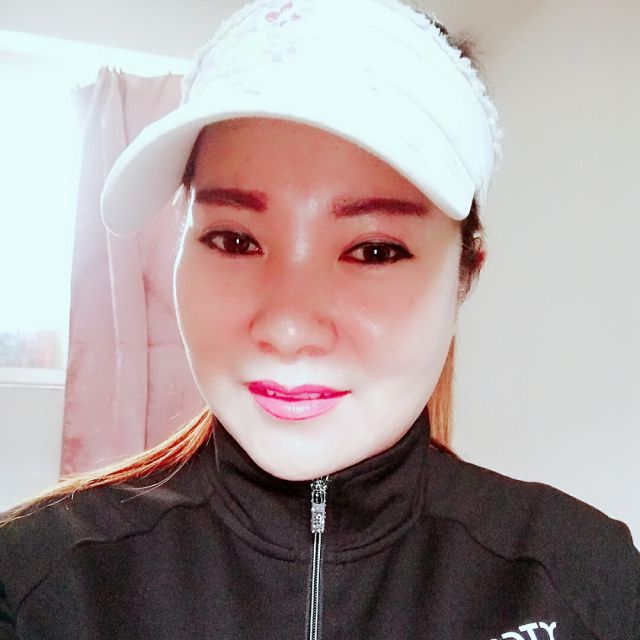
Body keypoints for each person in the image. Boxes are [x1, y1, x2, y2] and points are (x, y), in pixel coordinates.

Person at [1, 0, 638, 637]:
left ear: (465, 274)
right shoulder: (35, 580)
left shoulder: (585, 578)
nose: (288, 329)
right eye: (235, 240)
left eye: (374, 250)